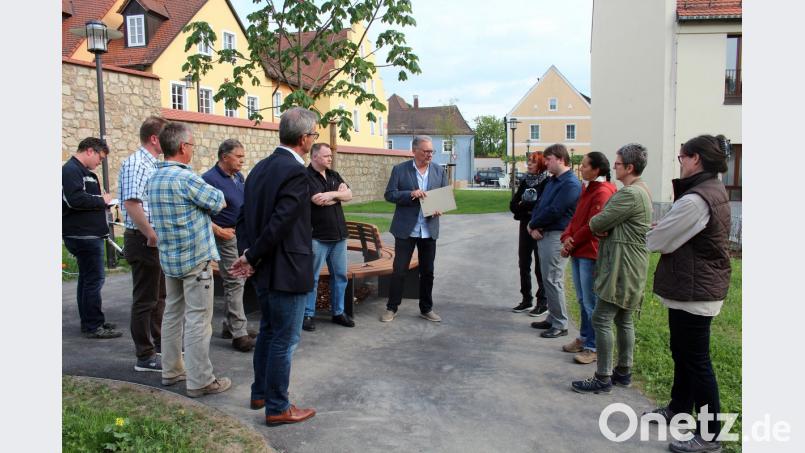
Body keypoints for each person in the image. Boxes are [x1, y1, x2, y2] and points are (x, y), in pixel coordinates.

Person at [230, 107, 318, 426]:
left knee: (268, 332)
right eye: (314, 135)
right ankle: (278, 406)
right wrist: (251, 257)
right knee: (284, 339)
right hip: (286, 269)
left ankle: (261, 392)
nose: (314, 140)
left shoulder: (259, 169)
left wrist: (248, 253)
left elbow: (242, 219)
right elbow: (282, 222)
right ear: (304, 138)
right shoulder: (296, 172)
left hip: (265, 268)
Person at [645, 135, 732, 453]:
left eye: (682, 156)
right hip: (692, 287)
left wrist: (656, 232)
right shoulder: (712, 189)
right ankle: (678, 409)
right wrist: (665, 230)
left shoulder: (696, 199)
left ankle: (711, 436)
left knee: (696, 361)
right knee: (682, 353)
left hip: (697, 290)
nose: (679, 161)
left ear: (696, 159)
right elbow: (677, 233)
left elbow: (657, 242)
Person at [146, 122, 231, 398]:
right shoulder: (187, 178)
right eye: (192, 145)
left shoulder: (154, 178)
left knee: (172, 314)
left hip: (170, 257)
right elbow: (219, 201)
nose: (193, 150)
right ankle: (200, 380)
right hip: (195, 259)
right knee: (198, 320)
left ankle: (171, 371)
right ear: (183, 147)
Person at [571, 143, 651, 394]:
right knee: (625, 319)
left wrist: (601, 224)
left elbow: (599, 221)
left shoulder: (629, 194)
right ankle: (623, 372)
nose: (613, 167)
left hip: (621, 265)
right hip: (632, 264)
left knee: (602, 317)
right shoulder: (641, 190)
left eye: (617, 164)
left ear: (629, 167)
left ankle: (603, 376)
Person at [380, 135, 449, 323]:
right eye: (426, 151)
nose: (430, 155)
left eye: (431, 151)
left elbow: (444, 196)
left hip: (429, 229)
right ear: (415, 151)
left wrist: (440, 208)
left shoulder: (438, 171)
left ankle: (426, 309)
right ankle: (391, 308)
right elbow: (390, 195)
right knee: (399, 270)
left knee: (428, 272)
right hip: (406, 229)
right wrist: (410, 194)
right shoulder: (400, 170)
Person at [119, 116, 168, 372]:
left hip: (151, 238)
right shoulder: (137, 163)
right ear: (154, 138)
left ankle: (159, 343)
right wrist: (149, 233)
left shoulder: (153, 164)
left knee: (159, 296)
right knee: (145, 299)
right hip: (142, 238)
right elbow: (131, 202)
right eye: (166, 135)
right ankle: (144, 355)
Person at [62, 137, 122, 339]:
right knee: (94, 280)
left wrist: (102, 202)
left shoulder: (85, 173)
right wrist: (101, 200)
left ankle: (90, 321)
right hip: (82, 235)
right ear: (89, 151)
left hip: (89, 234)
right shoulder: (70, 171)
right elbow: (75, 199)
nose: (100, 162)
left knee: (88, 280)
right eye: (100, 157)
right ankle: (93, 325)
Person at [560, 152, 617, 364]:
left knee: (590, 301)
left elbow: (593, 225)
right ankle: (584, 337)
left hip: (590, 252)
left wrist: (571, 241)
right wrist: (567, 236)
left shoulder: (603, 191)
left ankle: (593, 347)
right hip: (578, 250)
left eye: (584, 166)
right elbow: (576, 218)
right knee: (583, 299)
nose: (580, 168)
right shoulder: (588, 187)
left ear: (596, 170)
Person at [201, 139, 256, 352]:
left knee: (237, 280)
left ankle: (230, 326)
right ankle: (239, 334)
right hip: (224, 236)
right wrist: (218, 230)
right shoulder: (209, 179)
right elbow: (199, 213)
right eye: (239, 157)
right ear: (225, 157)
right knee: (235, 280)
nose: (243, 160)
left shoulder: (238, 177)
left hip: (239, 234)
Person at [527, 144, 581, 338]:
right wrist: (533, 224)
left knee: (553, 278)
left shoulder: (571, 184)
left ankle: (560, 323)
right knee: (547, 277)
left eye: (548, 159)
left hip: (557, 236)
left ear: (560, 159)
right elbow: (541, 204)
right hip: (544, 233)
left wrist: (534, 224)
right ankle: (552, 317)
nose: (546, 163)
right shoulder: (553, 181)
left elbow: (556, 210)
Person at [303, 143, 355, 332]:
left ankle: (338, 312)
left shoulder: (334, 175)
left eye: (330, 156)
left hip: (339, 236)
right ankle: (308, 314)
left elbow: (349, 195)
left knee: (340, 276)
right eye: (326, 156)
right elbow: (318, 200)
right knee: (312, 278)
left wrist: (333, 195)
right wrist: (338, 195)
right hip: (317, 236)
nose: (330, 159)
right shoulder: (306, 176)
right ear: (314, 157)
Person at [509, 152, 550, 316]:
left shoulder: (547, 182)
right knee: (523, 263)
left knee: (540, 266)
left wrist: (524, 205)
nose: (529, 164)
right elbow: (513, 205)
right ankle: (526, 299)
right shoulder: (526, 180)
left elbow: (542, 207)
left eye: (532, 162)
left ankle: (543, 302)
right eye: (528, 161)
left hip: (539, 228)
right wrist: (525, 205)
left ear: (540, 163)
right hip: (525, 225)